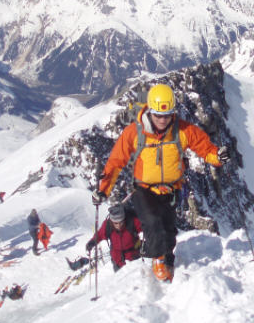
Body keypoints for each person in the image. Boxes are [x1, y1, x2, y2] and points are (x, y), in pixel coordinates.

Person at [92, 83, 229, 282]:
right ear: (149, 111)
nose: (163, 120)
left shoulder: (182, 130)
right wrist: (103, 190)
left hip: (172, 189)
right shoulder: (135, 133)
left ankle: (168, 259)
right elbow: (116, 162)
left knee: (169, 229)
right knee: (152, 221)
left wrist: (218, 156)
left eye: (167, 115)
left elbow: (205, 148)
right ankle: (157, 260)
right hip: (144, 189)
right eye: (158, 115)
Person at [86, 203, 143, 272]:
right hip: (117, 260)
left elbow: (146, 227)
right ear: (112, 221)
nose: (119, 225)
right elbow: (100, 234)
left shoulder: (132, 222)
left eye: (121, 222)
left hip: (134, 258)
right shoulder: (108, 225)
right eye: (116, 223)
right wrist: (92, 242)